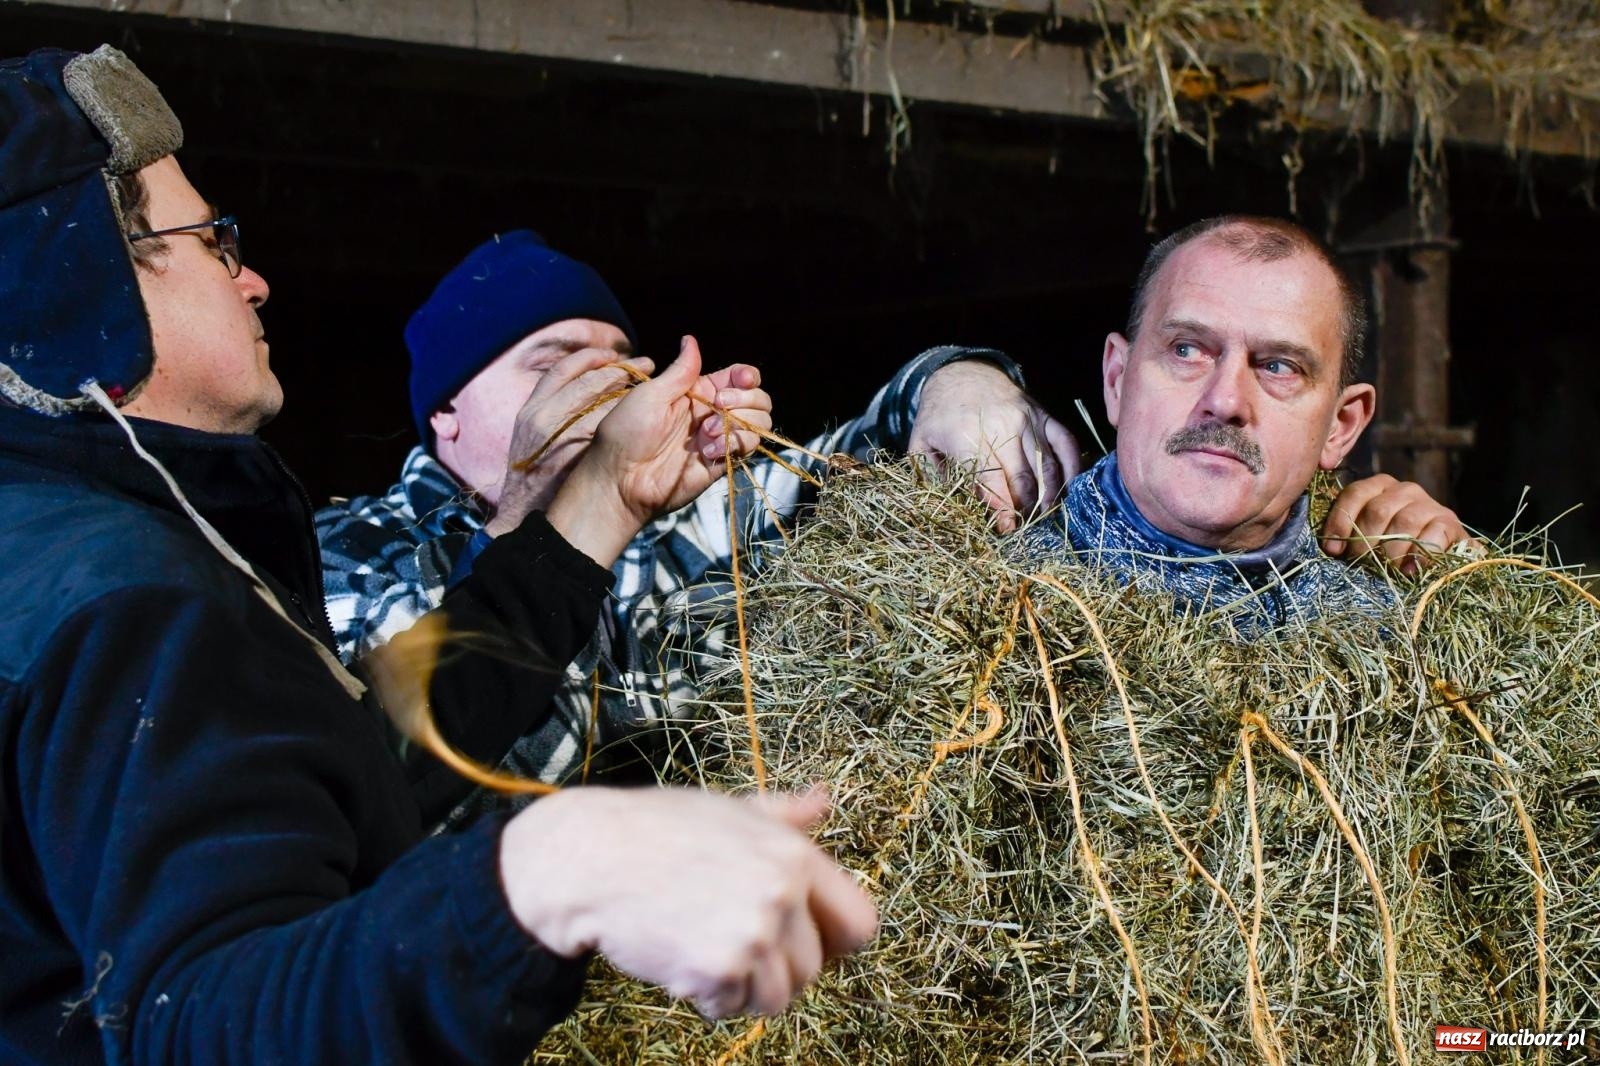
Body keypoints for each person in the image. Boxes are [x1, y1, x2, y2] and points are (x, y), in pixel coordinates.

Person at [0, 44, 875, 1066]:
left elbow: (352, 772)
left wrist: (599, 499)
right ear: (89, 283)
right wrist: (545, 871)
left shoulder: (60, 549)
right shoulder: (133, 597)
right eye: (212, 241)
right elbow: (207, 1023)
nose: (254, 278)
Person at [318, 231, 1080, 789]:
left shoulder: (675, 530)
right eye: (553, 364)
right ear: (446, 411)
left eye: (622, 362)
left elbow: (859, 458)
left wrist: (955, 381)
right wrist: (538, 515)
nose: (606, 385)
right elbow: (395, 780)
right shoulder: (344, 553)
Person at [1018, 214, 1467, 632]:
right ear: (1116, 380)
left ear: (1340, 427)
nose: (1226, 400)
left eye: (1278, 367)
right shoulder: (990, 589)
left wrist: (1464, 579)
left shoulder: (1400, 639)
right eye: (1186, 350)